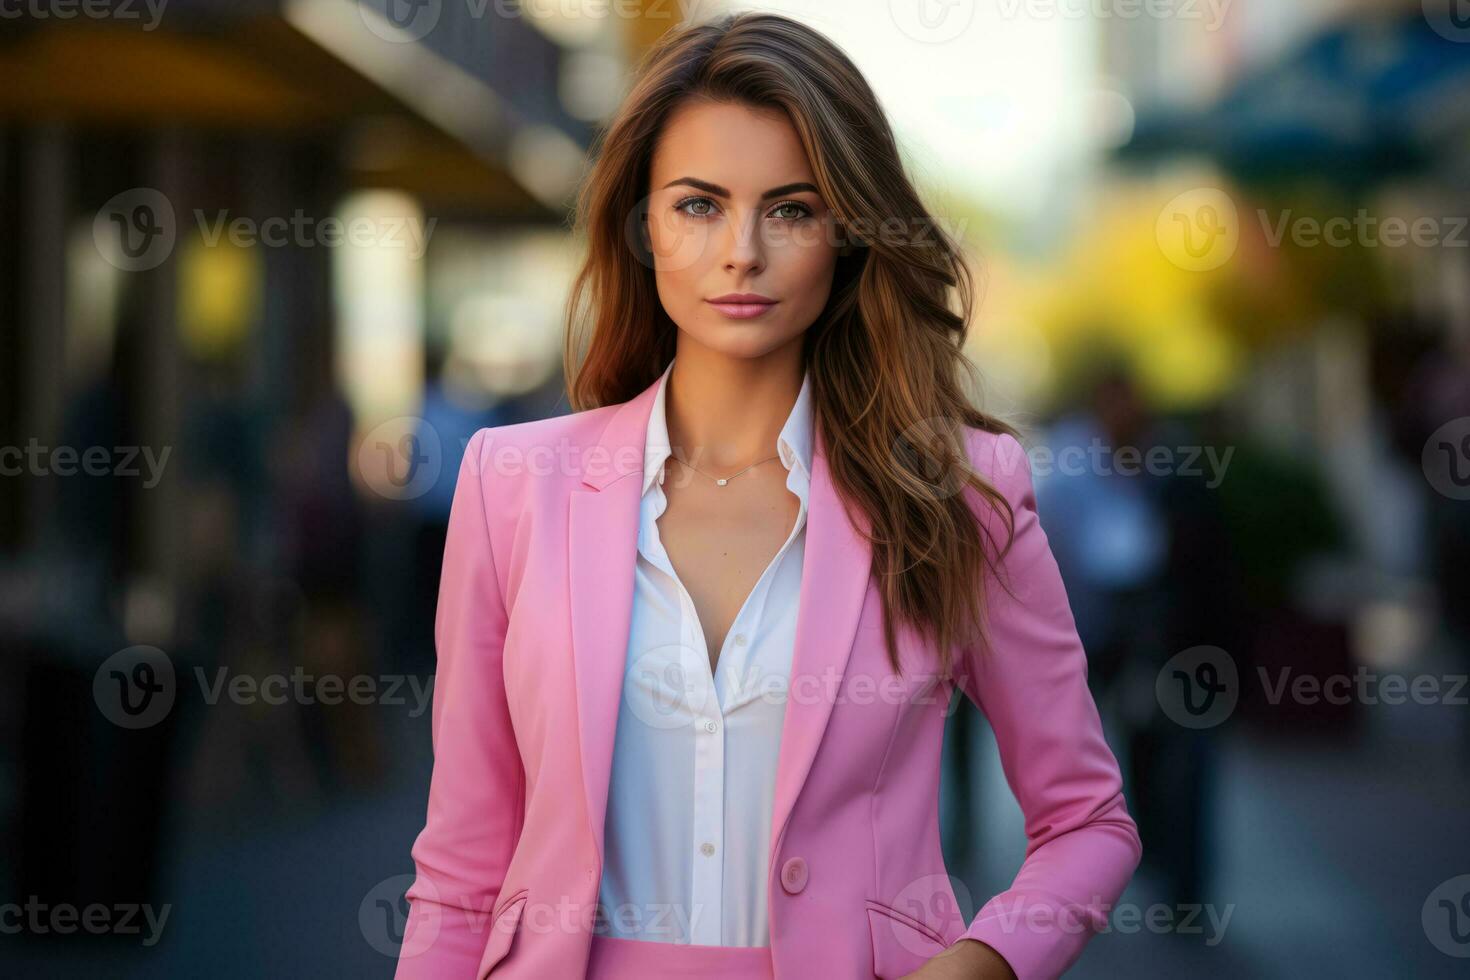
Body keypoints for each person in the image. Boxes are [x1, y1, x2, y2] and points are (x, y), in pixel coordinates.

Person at [394, 13, 1140, 980]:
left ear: (848, 234)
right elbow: (460, 870)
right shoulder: (512, 487)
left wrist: (980, 964)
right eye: (698, 205)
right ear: (643, 224)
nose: (742, 251)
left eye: (790, 208)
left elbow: (1088, 820)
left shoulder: (956, 492)